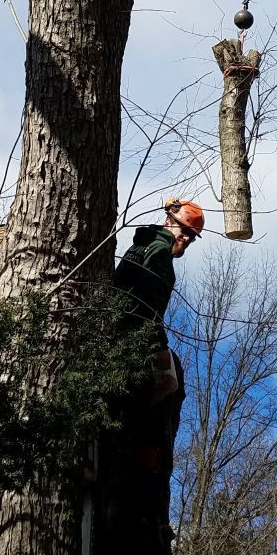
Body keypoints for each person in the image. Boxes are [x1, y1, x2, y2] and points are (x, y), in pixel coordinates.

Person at [111, 196, 204, 477]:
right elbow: (146, 302)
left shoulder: (141, 245)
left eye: (191, 236)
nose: (186, 239)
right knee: (166, 392)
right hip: (129, 340)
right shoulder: (160, 250)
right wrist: (158, 348)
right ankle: (142, 470)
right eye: (183, 230)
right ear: (168, 222)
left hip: (122, 334)